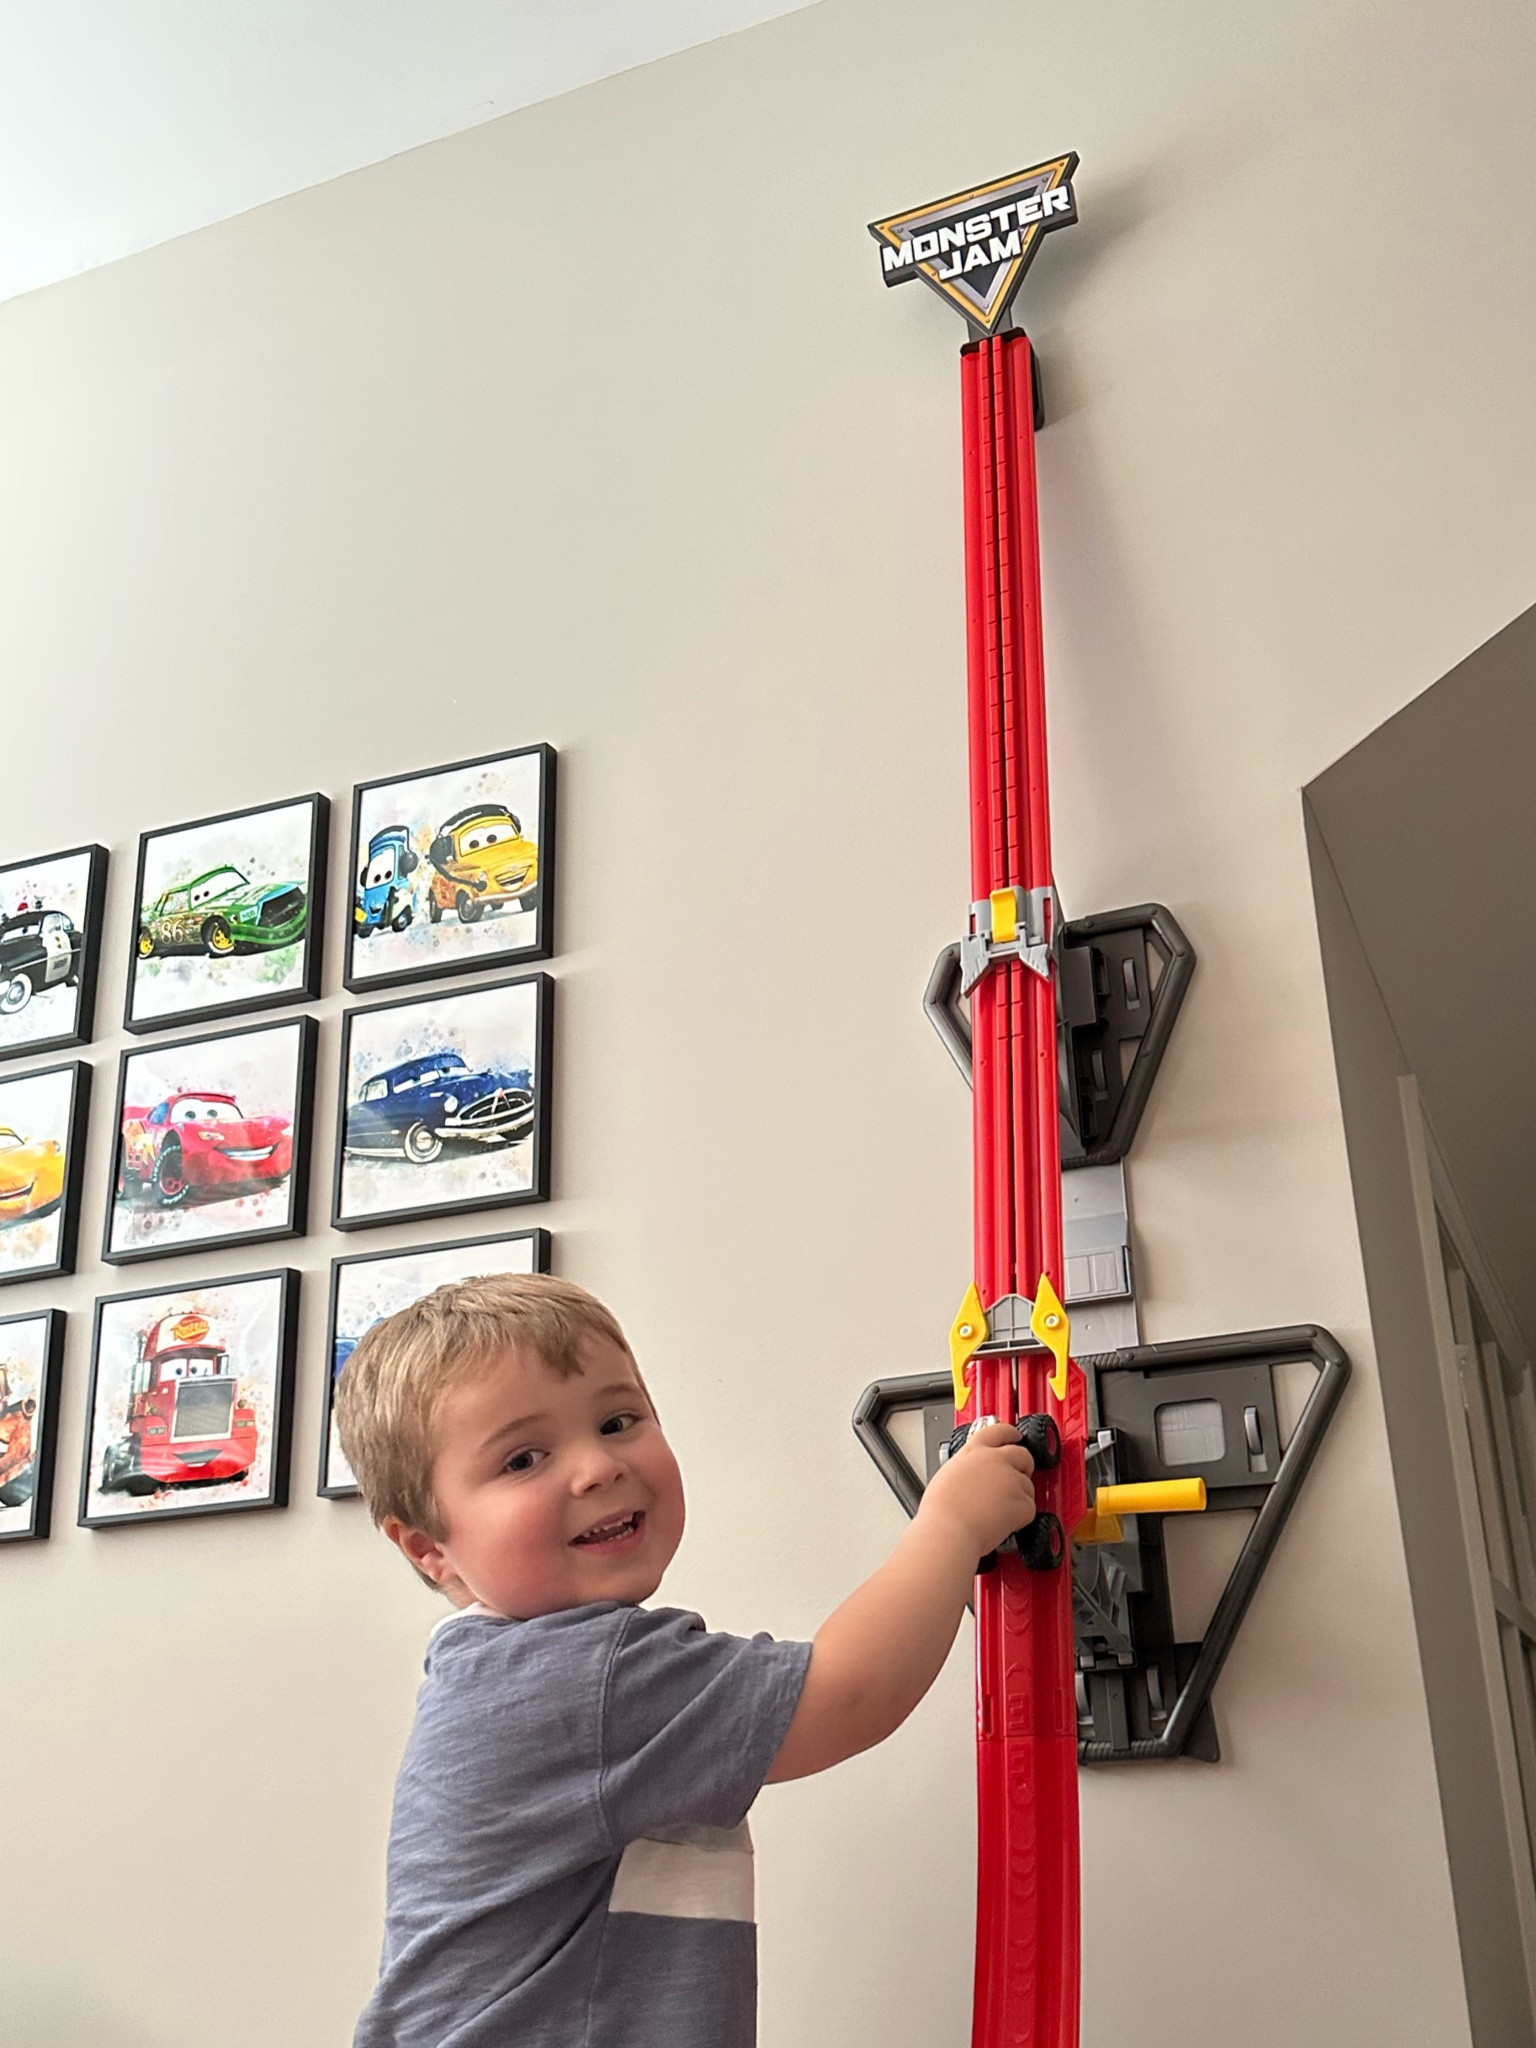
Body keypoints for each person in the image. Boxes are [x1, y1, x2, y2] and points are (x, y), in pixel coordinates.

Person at [336, 1272, 1037, 2048]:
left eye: (617, 1419)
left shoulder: (490, 1669)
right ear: (431, 1548)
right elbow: (849, 1693)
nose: (597, 1467)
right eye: (524, 1458)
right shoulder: (577, 1678)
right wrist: (950, 1525)